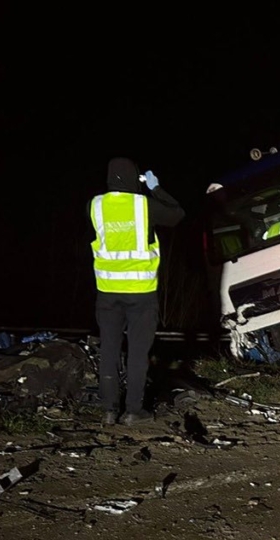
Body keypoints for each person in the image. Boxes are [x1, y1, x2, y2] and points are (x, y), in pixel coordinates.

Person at [88, 158, 184, 425]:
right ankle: (133, 411)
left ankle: (109, 410)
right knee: (138, 353)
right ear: (134, 178)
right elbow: (177, 214)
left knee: (108, 349)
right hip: (140, 292)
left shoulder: (95, 206)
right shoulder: (144, 206)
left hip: (107, 292)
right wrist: (155, 188)